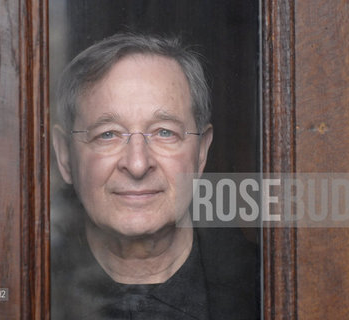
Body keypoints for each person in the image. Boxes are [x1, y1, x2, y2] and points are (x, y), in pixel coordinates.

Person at [52, 33, 259, 319]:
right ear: (64, 155)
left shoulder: (272, 292)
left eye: (164, 132)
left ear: (201, 152)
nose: (137, 164)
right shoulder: (21, 291)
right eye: (108, 134)